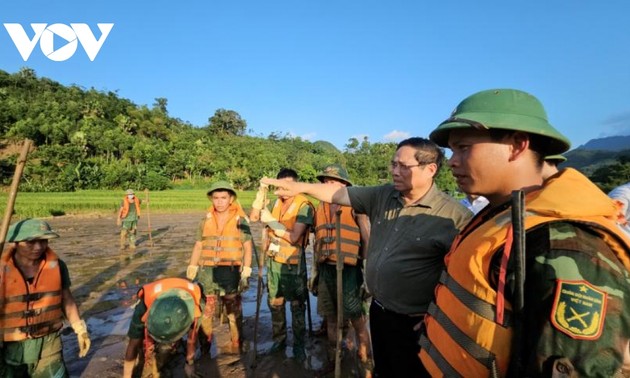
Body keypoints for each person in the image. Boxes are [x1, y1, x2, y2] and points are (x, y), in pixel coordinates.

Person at [419, 88, 630, 377]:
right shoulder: (502, 214)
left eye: (464, 147)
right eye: (452, 151)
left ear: (517, 145)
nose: (453, 161)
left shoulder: (563, 243)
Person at [262, 138, 472, 377]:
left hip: (417, 323)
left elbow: (465, 282)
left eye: (403, 166)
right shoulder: (383, 195)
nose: (394, 171)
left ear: (430, 169)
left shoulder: (455, 217)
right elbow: (338, 192)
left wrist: (438, 318)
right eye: (393, 164)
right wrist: (300, 187)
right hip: (381, 313)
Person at [0, 219, 91, 377]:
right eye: (30, 242)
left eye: (43, 241)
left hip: (49, 344)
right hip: (11, 347)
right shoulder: (2, 269)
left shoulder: (58, 266)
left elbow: (67, 299)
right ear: (15, 242)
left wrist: (80, 329)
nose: (38, 247)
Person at [309, 164, 373, 377]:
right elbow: (315, 243)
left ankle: (365, 361)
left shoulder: (356, 207)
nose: (328, 185)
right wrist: (315, 272)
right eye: (325, 182)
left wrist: (368, 273)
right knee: (332, 318)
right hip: (326, 269)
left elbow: (366, 238)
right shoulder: (320, 208)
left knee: (356, 318)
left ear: (345, 185)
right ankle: (333, 359)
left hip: (348, 270)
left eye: (333, 182)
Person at [250, 168, 314, 361]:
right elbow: (254, 216)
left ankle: (299, 345)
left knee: (296, 305)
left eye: (289, 186)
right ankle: (279, 340)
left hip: (294, 264)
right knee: (275, 303)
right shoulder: (276, 202)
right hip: (274, 262)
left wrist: (273, 224)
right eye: (281, 185)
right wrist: (261, 193)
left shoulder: (304, 205)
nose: (284, 190)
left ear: (295, 186)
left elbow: (295, 237)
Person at [186, 180, 253, 355]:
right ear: (211, 199)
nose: (219, 201)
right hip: (207, 271)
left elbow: (247, 246)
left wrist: (247, 268)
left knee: (232, 307)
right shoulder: (205, 220)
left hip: (230, 271)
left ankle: (236, 341)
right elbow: (199, 245)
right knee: (206, 309)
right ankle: (205, 346)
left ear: (231, 199)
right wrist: (192, 265)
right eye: (216, 198)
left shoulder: (240, 221)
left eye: (223, 197)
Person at [123, 277, 204, 378]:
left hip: (182, 303)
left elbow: (192, 337)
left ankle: (173, 345)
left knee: (166, 348)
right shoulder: (143, 305)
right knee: (140, 343)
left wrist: (190, 364)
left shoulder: (196, 307)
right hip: (157, 296)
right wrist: (126, 376)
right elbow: (133, 343)